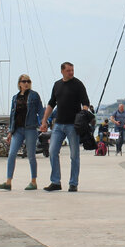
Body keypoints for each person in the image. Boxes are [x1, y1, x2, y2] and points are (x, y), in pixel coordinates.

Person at [40, 62, 90, 192]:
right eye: (68, 70)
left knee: (74, 155)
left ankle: (73, 183)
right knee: (52, 151)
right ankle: (55, 182)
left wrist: (84, 115)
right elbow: (51, 104)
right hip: (58, 124)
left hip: (73, 125)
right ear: (62, 71)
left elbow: (86, 102)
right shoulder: (57, 85)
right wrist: (44, 121)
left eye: (72, 70)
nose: (71, 73)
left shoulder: (78, 84)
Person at [0, 74, 44, 190]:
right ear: (19, 84)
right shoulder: (15, 98)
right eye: (24, 81)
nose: (26, 83)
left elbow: (40, 110)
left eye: (28, 81)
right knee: (11, 154)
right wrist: (10, 131)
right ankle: (8, 182)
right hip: (17, 130)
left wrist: (44, 122)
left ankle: (33, 182)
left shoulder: (34, 95)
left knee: (31, 155)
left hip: (30, 128)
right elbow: (13, 115)